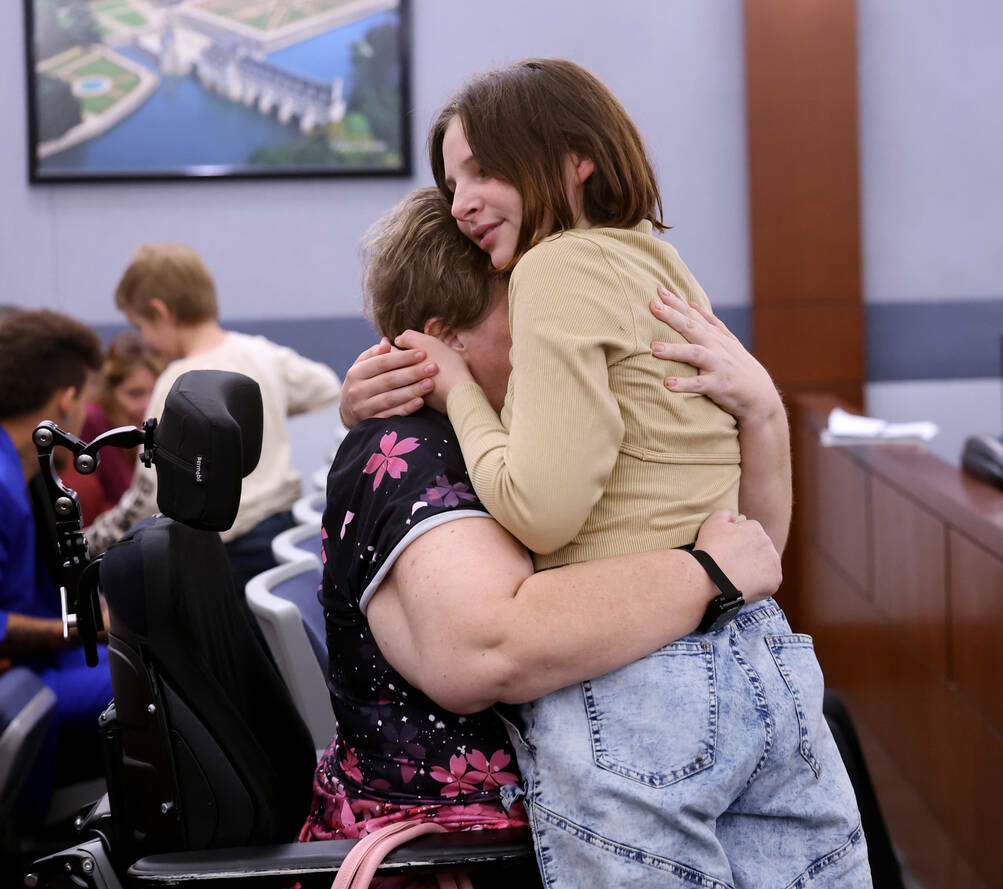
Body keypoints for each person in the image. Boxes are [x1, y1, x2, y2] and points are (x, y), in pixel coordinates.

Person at [368, 59, 868, 889]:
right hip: (763, 659)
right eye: (451, 180)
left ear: (575, 159)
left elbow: (540, 510)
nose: (459, 202)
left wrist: (459, 392)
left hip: (637, 688)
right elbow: (750, 538)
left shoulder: (552, 269)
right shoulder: (659, 263)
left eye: (482, 170)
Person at [303, 188, 781, 873]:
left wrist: (762, 412)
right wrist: (704, 573)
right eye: (534, 318)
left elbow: (759, 560)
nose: (565, 334)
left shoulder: (526, 439)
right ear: (443, 340)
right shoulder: (406, 453)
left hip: (598, 807)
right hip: (463, 852)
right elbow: (487, 647)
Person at [85, 243, 341, 590]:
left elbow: (147, 495)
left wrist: (94, 539)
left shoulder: (176, 384)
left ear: (161, 313)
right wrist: (262, 408)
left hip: (228, 552)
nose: (144, 340)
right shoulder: (260, 353)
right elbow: (327, 388)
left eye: (140, 325)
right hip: (284, 530)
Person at [0, 309, 111, 816]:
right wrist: (79, 628)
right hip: (18, 685)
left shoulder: (20, 470)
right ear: (66, 400)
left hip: (36, 667)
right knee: (158, 675)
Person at [59, 332, 164, 524]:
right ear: (108, 393)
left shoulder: (143, 431)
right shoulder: (91, 424)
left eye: (155, 392)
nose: (149, 405)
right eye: (135, 393)